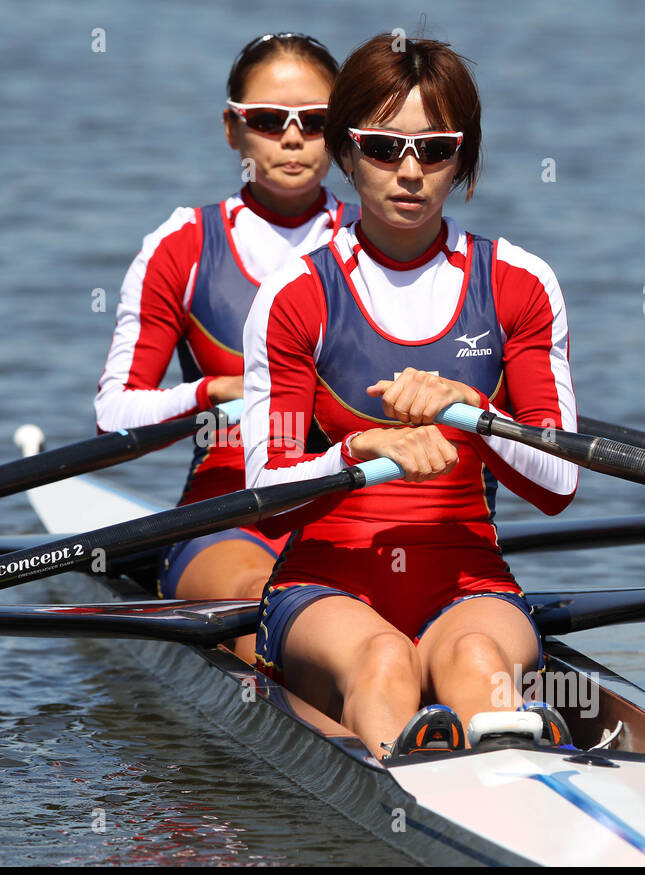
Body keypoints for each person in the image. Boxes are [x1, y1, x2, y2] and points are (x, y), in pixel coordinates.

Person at [240, 35, 578, 759]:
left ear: (466, 157)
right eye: (384, 147)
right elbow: (265, 484)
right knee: (384, 661)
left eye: (437, 148)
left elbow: (560, 481)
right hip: (325, 583)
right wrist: (359, 448)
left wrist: (476, 416)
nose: (410, 171)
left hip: (468, 581)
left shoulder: (520, 284)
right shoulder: (297, 297)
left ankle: (506, 783)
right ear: (345, 151)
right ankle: (413, 798)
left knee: (481, 663)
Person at [95, 33, 353, 662]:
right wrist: (216, 392)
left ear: (342, 131)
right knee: (263, 598)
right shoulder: (182, 246)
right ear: (232, 130)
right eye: (267, 120)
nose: (291, 139)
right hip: (227, 516)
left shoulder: (384, 243)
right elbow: (114, 416)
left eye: (315, 122)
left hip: (356, 507)